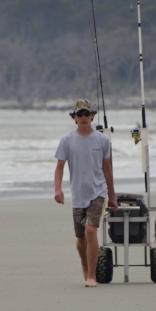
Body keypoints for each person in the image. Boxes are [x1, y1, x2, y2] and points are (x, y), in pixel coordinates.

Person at [54, 99, 118, 287]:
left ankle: (92, 275)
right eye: (79, 114)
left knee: (91, 230)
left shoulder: (103, 140)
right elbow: (59, 168)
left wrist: (112, 197)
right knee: (81, 238)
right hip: (78, 194)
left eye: (86, 114)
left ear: (92, 116)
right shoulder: (66, 140)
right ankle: (84, 262)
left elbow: (107, 170)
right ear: (74, 117)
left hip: (98, 192)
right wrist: (58, 189)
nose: (83, 117)